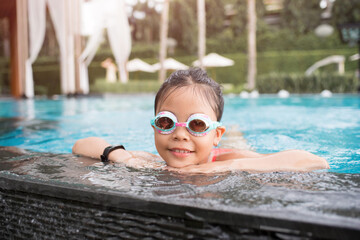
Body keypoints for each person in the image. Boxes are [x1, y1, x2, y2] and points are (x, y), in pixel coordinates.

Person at [72, 68, 329, 173]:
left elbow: (315, 162)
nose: (179, 134)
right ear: (154, 125)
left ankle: (229, 133)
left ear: (216, 134)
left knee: (237, 141)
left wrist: (216, 168)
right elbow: (81, 145)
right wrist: (120, 155)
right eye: (166, 122)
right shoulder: (150, 160)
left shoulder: (229, 159)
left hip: (221, 154)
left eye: (197, 124)